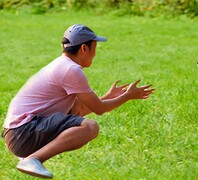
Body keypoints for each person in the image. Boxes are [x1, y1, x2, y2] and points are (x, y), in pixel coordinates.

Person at [1, 24, 155, 178]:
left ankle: (31, 156)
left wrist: (109, 96)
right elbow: (100, 110)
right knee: (90, 127)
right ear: (84, 48)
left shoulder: (62, 65)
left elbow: (79, 110)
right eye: (95, 47)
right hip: (23, 133)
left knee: (78, 111)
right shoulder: (70, 69)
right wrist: (127, 96)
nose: (95, 53)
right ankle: (33, 159)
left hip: (17, 134)